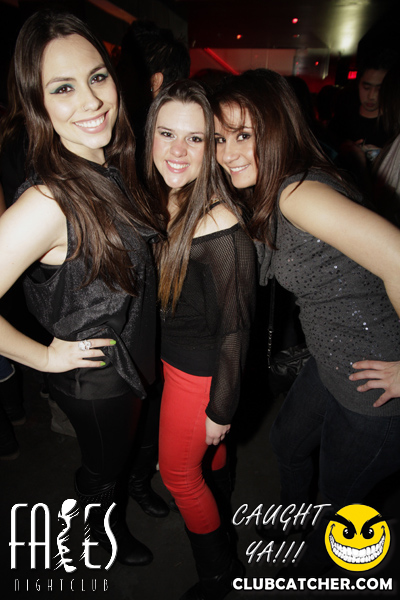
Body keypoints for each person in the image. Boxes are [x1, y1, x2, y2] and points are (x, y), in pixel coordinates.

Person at [212, 68, 400, 568]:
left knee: (342, 505)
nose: (227, 153)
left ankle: (319, 570)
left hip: (374, 387)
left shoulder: (299, 194)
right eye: (220, 139)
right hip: (328, 360)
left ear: (277, 128)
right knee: (287, 443)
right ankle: (294, 523)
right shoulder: (273, 188)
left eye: (243, 135)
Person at [0, 9, 162, 567]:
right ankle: (94, 535)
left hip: (130, 360)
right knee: (103, 470)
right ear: (36, 103)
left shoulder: (108, 165)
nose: (91, 101)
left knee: (113, 461)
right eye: (63, 88)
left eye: (97, 77)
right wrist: (43, 357)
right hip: (97, 381)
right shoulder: (47, 201)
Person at [145, 80, 256, 599]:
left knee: (178, 476)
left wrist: (221, 408)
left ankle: (218, 575)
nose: (178, 151)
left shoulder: (219, 222)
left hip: (200, 375)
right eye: (167, 133)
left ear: (211, 147)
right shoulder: (167, 196)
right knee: (205, 465)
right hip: (176, 364)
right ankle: (220, 500)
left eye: (195, 138)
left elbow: (236, 328)